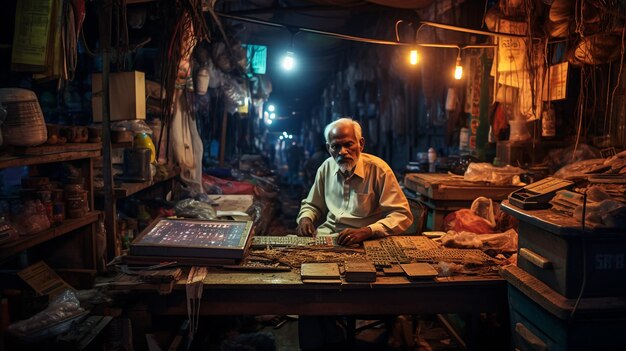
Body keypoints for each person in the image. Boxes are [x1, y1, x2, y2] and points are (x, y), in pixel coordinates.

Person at [295, 117, 413, 350]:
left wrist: (368, 230)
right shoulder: (326, 168)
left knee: (362, 286)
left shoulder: (378, 169)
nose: (342, 151)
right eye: (335, 146)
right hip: (330, 240)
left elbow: (402, 215)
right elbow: (312, 204)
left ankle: (343, 332)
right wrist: (306, 218)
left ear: (361, 143)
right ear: (328, 147)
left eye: (348, 144)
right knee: (306, 289)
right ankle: (326, 339)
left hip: (368, 243)